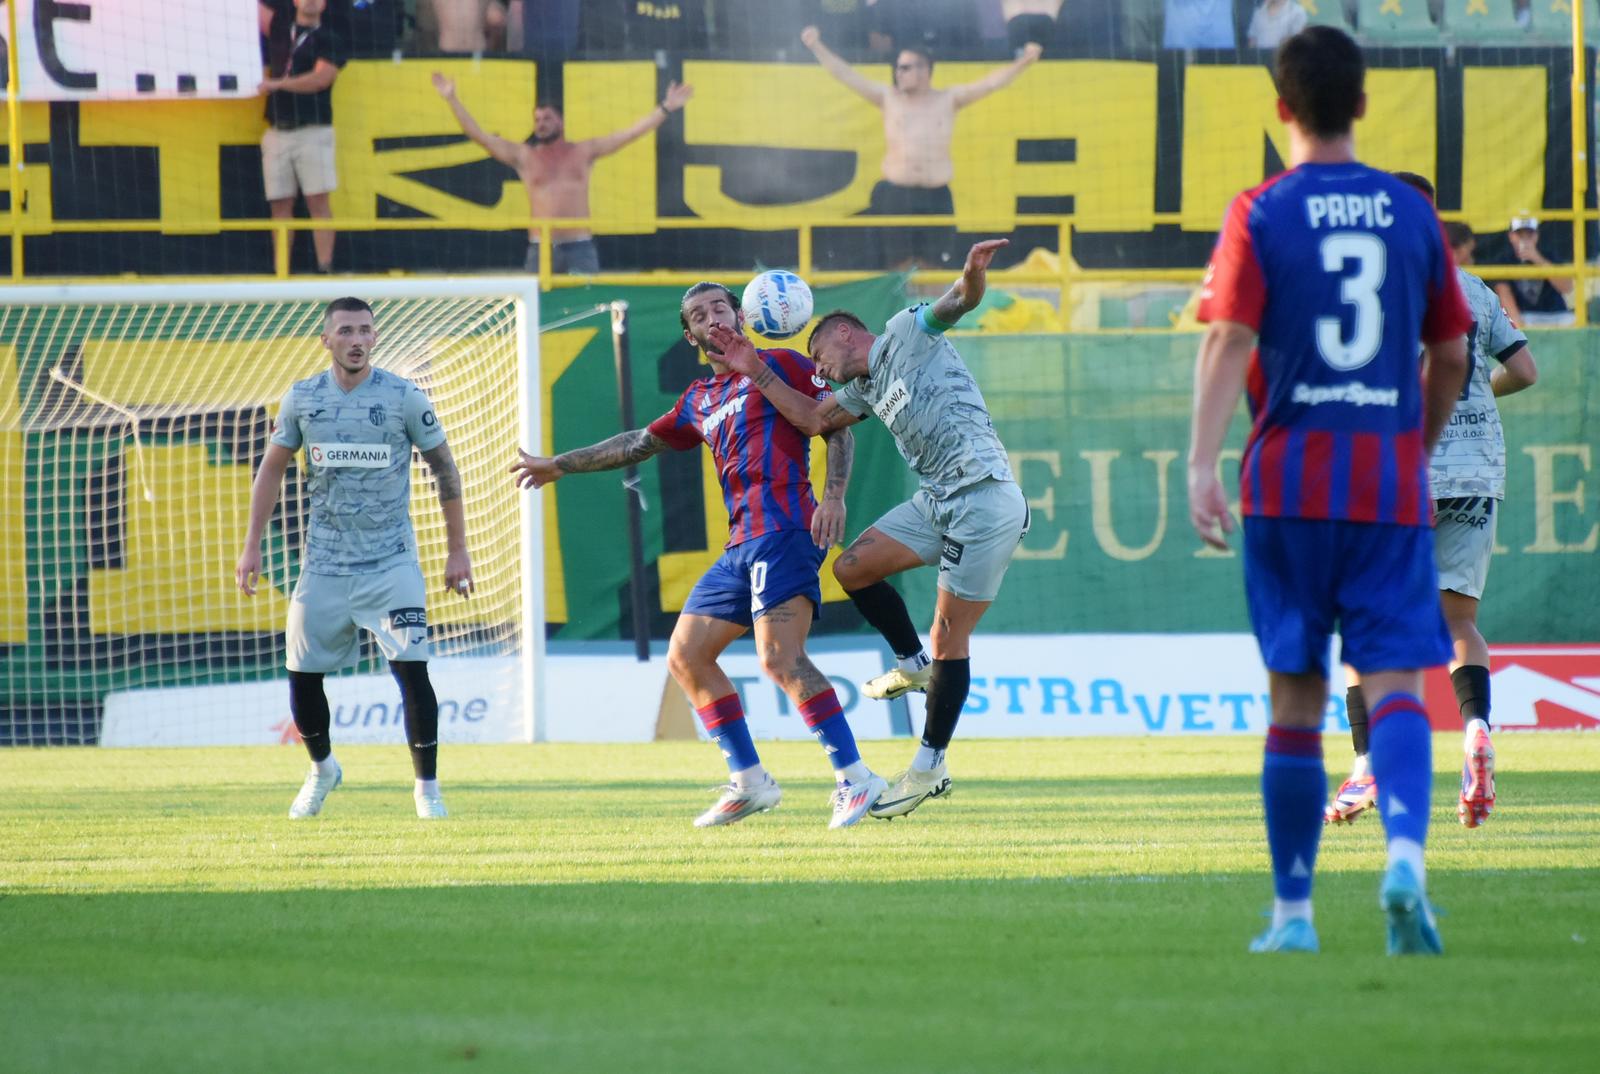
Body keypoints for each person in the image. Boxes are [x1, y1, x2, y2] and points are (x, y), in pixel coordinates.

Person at [1186, 27, 1471, 955]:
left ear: (1281, 109)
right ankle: (1405, 866)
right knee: (1394, 685)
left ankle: (1295, 917)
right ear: (1361, 104)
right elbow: (1453, 354)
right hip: (1386, 489)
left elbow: (1228, 339)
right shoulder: (1411, 213)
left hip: (1283, 489)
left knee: (1297, 701)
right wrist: (1413, 447)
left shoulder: (1260, 211)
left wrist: (1200, 463)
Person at [508, 284, 888, 829]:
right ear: (690, 335)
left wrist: (833, 496)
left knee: (780, 659)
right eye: (699, 314)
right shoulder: (698, 399)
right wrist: (560, 464)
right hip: (740, 545)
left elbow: (831, 424)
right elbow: (639, 442)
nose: (713, 317)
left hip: (784, 531)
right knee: (686, 656)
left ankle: (856, 777)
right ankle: (749, 782)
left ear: (740, 315)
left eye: (720, 307)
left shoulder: (780, 363)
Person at [707, 239, 1030, 821]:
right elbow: (810, 419)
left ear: (848, 335)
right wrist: (753, 367)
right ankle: (910, 665)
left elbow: (958, 301)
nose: (819, 368)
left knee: (949, 639)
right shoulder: (861, 390)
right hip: (937, 502)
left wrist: (973, 276)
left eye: (820, 354)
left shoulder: (907, 332)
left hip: (984, 498)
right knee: (850, 567)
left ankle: (929, 768)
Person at [1325, 173, 1539, 830]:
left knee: (1365, 627)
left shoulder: (1372, 290)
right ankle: (1475, 728)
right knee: (1458, 624)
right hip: (1476, 468)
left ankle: (1366, 767)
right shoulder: (1472, 288)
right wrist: (1472, 397)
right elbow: (1526, 371)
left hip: (1401, 469)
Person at [236, 297, 474, 820]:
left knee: (412, 671)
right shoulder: (302, 400)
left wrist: (458, 549)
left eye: (365, 330)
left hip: (391, 563)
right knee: (301, 675)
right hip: (323, 564)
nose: (357, 339)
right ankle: (322, 769)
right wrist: (252, 543)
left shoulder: (404, 397)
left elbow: (445, 470)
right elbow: (271, 469)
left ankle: (427, 793)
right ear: (327, 340)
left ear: (375, 337)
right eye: (345, 331)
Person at [800, 25, 1041, 268]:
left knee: (934, 266)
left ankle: (932, 307)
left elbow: (990, 83)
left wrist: (1025, 61)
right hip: (897, 195)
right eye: (897, 67)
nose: (898, 73)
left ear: (924, 70)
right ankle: (902, 307)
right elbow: (846, 75)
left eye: (905, 68)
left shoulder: (948, 99)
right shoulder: (888, 97)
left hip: (936, 196)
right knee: (898, 264)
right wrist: (816, 45)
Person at [431, 74, 694, 275]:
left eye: (546, 118)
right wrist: (450, 97)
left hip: (580, 248)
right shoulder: (525, 156)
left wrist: (666, 107)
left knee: (588, 309)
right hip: (540, 250)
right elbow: (479, 136)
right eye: (537, 120)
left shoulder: (583, 151)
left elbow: (630, 133)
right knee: (540, 315)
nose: (541, 124)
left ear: (562, 122)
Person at [258, 0, 348, 274]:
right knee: (280, 203)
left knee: (318, 201)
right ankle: (282, 271)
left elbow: (321, 79)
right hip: (277, 131)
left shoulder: (331, 38)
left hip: (313, 131)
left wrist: (278, 84)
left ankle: (324, 268)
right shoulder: (280, 28)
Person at [1491, 215, 1576, 327]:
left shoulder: (1549, 256)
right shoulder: (1504, 260)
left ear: (1537, 236)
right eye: (1520, 234)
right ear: (1511, 236)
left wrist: (1537, 259)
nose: (1524, 239)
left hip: (1555, 315)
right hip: (1525, 316)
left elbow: (1567, 287)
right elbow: (1504, 294)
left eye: (1529, 234)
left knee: (1575, 321)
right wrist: (1520, 327)